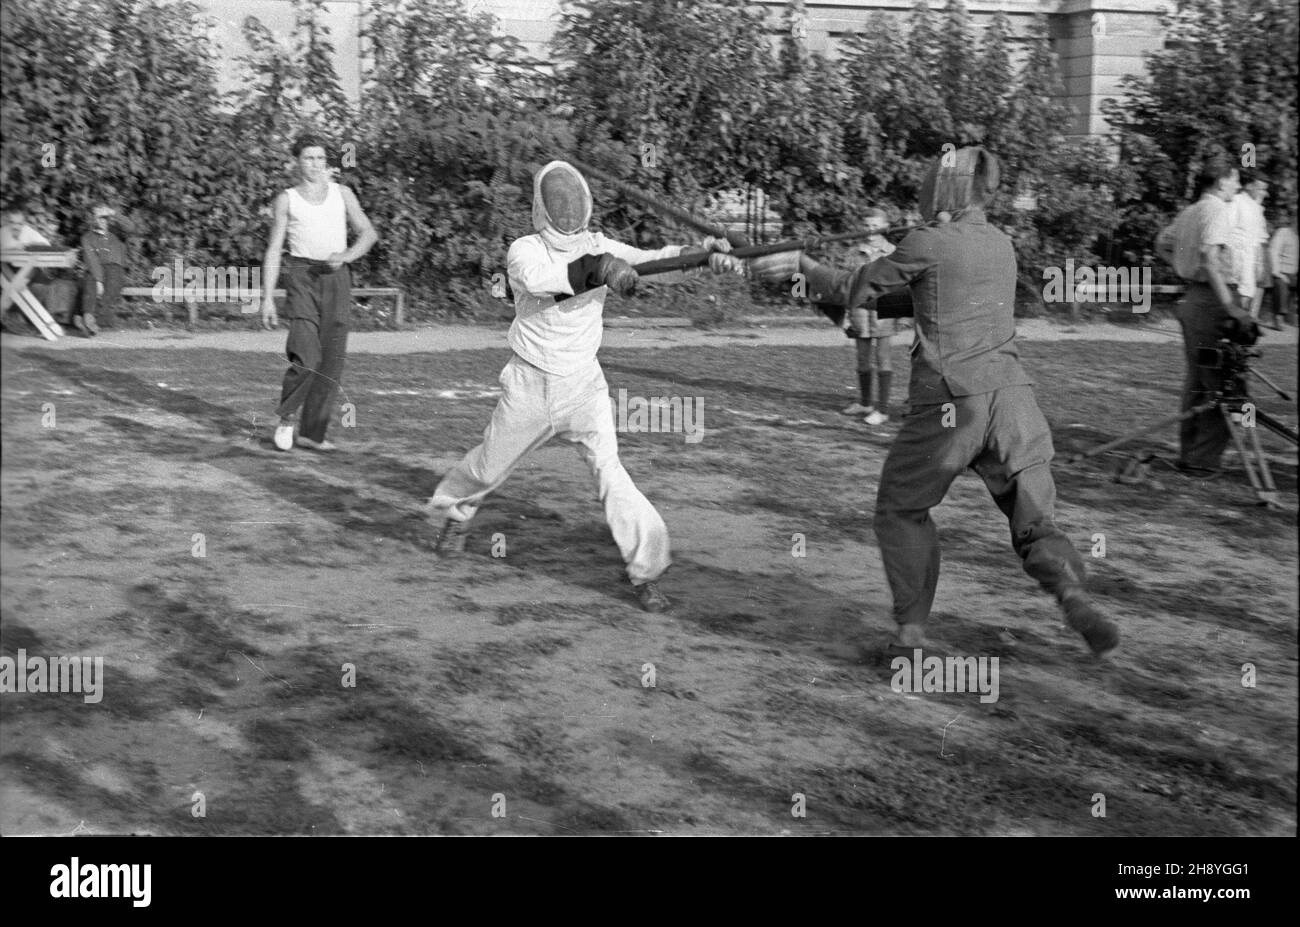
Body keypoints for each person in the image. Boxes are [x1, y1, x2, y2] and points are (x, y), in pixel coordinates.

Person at [748, 146, 1119, 658]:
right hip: (1013, 402)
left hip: (950, 402)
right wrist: (809, 278)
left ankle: (911, 632)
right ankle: (1071, 593)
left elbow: (853, 288)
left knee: (901, 508)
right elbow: (914, 298)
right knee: (1035, 519)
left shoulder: (927, 241)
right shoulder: (1000, 243)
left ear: (941, 190)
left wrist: (800, 264)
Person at [425, 160, 741, 612]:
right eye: (558, 202)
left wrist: (702, 254)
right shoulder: (524, 251)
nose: (567, 209)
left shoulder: (599, 244)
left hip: (584, 388)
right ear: (542, 207)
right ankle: (454, 513)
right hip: (530, 388)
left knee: (612, 475)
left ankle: (645, 571)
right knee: (487, 470)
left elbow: (653, 262)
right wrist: (601, 268)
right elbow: (547, 282)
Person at [260, 133, 378, 452]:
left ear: (328, 162)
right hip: (301, 276)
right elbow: (273, 250)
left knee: (331, 361)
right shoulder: (287, 198)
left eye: (321, 158)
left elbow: (368, 233)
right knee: (307, 354)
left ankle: (312, 434)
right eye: (308, 158)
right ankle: (287, 418)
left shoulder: (343, 194)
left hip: (337, 277)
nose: (315, 164)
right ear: (296, 162)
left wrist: (346, 256)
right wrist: (268, 298)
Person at [1154, 153, 1258, 475]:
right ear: (1223, 179)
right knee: (1223, 383)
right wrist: (1230, 306)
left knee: (1199, 381)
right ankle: (1202, 461)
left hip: (1195, 299)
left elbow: (1161, 244)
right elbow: (1210, 258)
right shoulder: (1217, 211)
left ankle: (1192, 455)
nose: (1238, 187)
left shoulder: (1190, 211)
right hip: (1214, 301)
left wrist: (1185, 271)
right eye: (1236, 180)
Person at [839, 208, 897, 425]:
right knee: (862, 359)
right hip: (859, 311)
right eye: (866, 225)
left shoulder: (892, 251)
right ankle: (865, 403)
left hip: (884, 310)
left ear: (885, 227)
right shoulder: (854, 253)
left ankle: (882, 410)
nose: (870, 230)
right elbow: (847, 285)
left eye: (875, 225)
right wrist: (845, 314)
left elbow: (899, 284)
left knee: (883, 358)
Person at [78, 203, 130, 334]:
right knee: (90, 283)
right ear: (92, 219)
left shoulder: (117, 233)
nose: (100, 220)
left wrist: (113, 212)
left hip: (115, 268)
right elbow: (92, 260)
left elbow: (131, 228)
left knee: (111, 288)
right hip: (97, 269)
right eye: (97, 217)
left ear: (108, 218)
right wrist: (99, 281)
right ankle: (89, 319)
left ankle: (89, 321)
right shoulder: (87, 237)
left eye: (103, 217)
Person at [1226, 175, 1269, 319]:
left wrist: (1259, 261)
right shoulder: (1237, 201)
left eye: (1265, 190)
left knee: (1248, 291)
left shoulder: (1257, 207)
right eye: (1260, 188)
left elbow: (1260, 236)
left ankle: (1241, 325)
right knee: (1239, 291)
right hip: (1236, 254)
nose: (1263, 193)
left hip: (1251, 255)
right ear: (1249, 186)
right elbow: (1228, 228)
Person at [1268, 214, 1297, 329]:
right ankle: (1278, 317)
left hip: (1295, 273)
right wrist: (1277, 272)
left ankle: (1292, 316)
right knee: (1280, 284)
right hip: (1283, 272)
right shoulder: (1283, 232)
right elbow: (1273, 252)